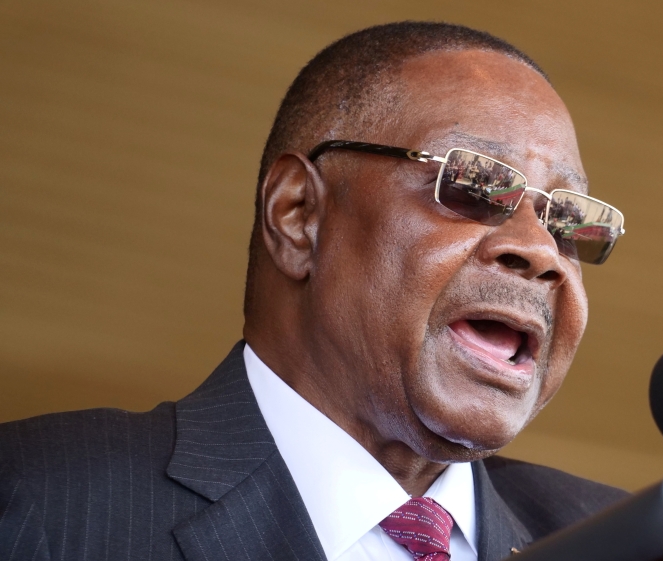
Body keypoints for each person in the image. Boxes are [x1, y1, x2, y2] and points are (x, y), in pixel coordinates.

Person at [0, 21, 628, 560]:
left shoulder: (631, 543)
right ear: (298, 214)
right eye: (477, 185)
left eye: (567, 222)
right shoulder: (40, 500)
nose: (543, 251)